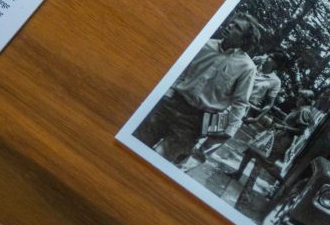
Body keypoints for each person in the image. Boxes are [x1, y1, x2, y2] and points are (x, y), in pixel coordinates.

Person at [135, 14, 262, 166]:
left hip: (194, 121)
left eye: (237, 27)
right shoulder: (204, 45)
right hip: (169, 104)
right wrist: (166, 94)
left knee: (159, 161)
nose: (229, 26)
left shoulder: (247, 67)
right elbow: (181, 72)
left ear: (244, 40)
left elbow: (240, 102)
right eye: (231, 23)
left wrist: (229, 130)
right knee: (136, 143)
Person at [228, 89, 315, 185]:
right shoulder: (300, 109)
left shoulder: (304, 111)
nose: (298, 99)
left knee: (267, 163)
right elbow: (291, 122)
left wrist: (282, 127)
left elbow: (300, 131)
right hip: (277, 135)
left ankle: (285, 183)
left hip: (282, 140)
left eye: (300, 97)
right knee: (251, 150)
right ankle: (238, 173)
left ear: (306, 99)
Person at [247, 51, 286, 122]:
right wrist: (251, 62)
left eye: (270, 57)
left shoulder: (276, 81)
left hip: (246, 108)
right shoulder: (252, 65)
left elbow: (269, 104)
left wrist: (256, 119)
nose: (265, 57)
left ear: (276, 64)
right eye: (267, 55)